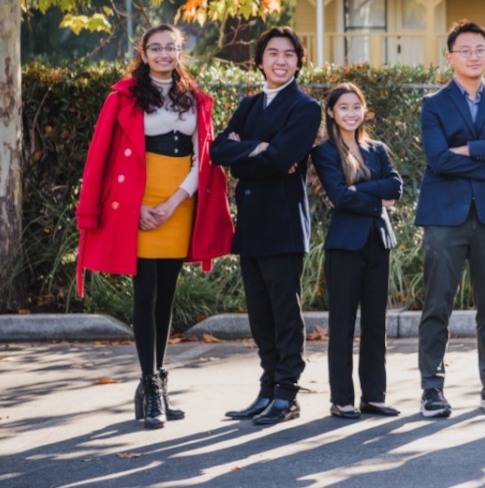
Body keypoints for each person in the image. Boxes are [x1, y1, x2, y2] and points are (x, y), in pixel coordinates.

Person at [75, 24, 233, 429]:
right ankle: (151, 386)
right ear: (143, 54)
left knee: (166, 296)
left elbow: (204, 157)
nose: (164, 54)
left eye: (171, 47)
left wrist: (176, 200)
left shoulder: (195, 99)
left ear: (181, 52)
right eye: (155, 48)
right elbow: (102, 157)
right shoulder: (123, 96)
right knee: (145, 294)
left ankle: (156, 384)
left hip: (179, 202)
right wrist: (137, 208)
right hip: (138, 206)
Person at [416, 20, 485, 418]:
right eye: (465, 49)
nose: (474, 56)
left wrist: (466, 150)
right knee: (437, 303)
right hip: (445, 216)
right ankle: (432, 389)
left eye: (480, 49)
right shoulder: (433, 103)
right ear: (450, 57)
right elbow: (437, 159)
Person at [211, 27, 321, 426]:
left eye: (288, 54)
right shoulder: (249, 105)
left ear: (298, 61)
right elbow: (218, 151)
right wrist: (256, 150)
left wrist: (249, 154)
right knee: (259, 315)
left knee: (283, 313)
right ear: (260, 60)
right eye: (272, 53)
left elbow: (282, 158)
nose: (280, 60)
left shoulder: (305, 108)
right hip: (252, 223)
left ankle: (286, 394)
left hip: (284, 223)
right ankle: (267, 388)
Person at [310, 83, 404, 419]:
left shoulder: (376, 148)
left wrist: (358, 190)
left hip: (379, 242)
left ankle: (374, 396)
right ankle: (342, 399)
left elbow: (396, 186)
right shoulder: (324, 152)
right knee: (343, 324)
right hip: (345, 245)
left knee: (376, 323)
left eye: (356, 106)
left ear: (364, 110)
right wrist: (376, 198)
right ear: (332, 113)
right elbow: (339, 196)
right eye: (344, 107)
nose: (351, 113)